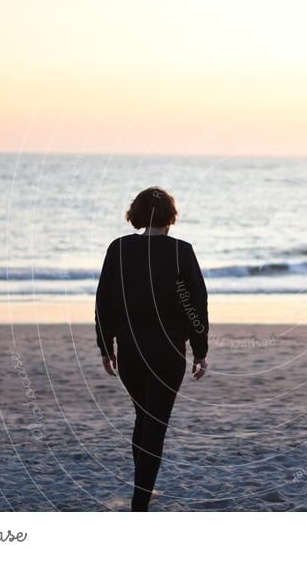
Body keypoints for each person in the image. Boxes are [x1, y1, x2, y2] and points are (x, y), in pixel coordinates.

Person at [95, 186, 209, 511]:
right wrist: (200, 350)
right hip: (168, 353)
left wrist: (106, 346)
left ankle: (141, 491)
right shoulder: (181, 251)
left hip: (131, 352)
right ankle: (140, 502)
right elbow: (195, 306)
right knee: (154, 425)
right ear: (171, 217)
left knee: (143, 420)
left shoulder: (118, 249)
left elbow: (104, 302)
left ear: (138, 215)